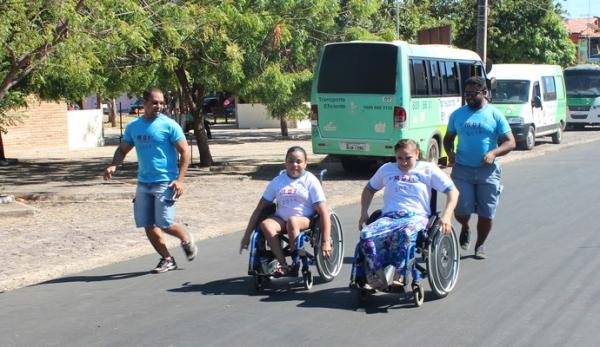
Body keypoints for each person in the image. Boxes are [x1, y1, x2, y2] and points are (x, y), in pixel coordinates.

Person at [103, 87, 198, 273]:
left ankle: (186, 238)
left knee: (164, 223)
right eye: (155, 102)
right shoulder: (134, 127)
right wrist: (114, 165)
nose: (159, 106)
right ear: (144, 102)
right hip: (143, 182)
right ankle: (167, 259)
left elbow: (185, 151)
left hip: (165, 181)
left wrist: (180, 180)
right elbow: (123, 150)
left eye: (162, 103)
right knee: (147, 223)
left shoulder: (169, 125)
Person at [354, 139, 458, 289]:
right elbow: (369, 189)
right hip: (389, 217)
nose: (403, 163)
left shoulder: (428, 169)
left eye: (408, 158)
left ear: (416, 154)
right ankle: (377, 276)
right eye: (399, 158)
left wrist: (447, 216)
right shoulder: (386, 169)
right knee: (365, 234)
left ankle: (399, 275)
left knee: (406, 233)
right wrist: (364, 212)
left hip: (415, 217)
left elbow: (452, 191)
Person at [443, 76, 516, 260]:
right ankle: (466, 226)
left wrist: (493, 154)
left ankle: (480, 244)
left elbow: (510, 142)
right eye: (466, 94)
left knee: (487, 213)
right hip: (462, 169)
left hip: (488, 172)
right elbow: (448, 138)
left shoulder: (495, 114)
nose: (468, 97)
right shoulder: (457, 114)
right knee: (460, 210)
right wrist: (450, 153)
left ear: (484, 93)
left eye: (473, 94)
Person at [239, 146, 331, 277]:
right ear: (285, 163)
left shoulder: (310, 181)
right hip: (281, 219)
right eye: (290, 161)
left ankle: (295, 261)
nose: (294, 165)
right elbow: (259, 209)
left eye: (298, 161)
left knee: (293, 222)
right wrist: (247, 236)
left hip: (305, 219)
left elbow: (323, 212)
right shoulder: (277, 181)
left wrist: (326, 241)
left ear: (306, 163)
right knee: (265, 224)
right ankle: (283, 264)